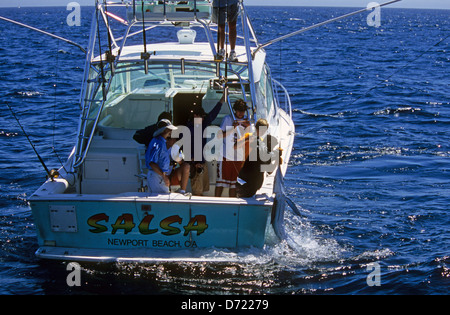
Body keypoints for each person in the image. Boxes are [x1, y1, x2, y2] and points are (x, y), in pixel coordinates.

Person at [187, 94, 225, 195]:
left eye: (203, 117)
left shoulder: (202, 125)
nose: (203, 118)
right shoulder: (188, 130)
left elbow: (212, 114)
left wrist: (221, 100)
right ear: (195, 116)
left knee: (203, 190)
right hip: (195, 165)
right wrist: (194, 162)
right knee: (197, 192)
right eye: (201, 116)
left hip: (202, 163)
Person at [215, 99, 250, 197]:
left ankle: (233, 203)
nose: (241, 113)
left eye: (242, 111)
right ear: (235, 110)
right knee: (220, 183)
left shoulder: (247, 121)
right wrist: (232, 129)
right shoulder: (228, 119)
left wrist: (249, 127)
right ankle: (216, 203)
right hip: (225, 156)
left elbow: (251, 138)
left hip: (239, 157)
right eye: (239, 111)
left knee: (234, 184)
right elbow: (219, 136)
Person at [236, 118, 279, 198]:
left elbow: (269, 168)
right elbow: (235, 147)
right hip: (244, 170)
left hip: (251, 175)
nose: (262, 132)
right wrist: (246, 140)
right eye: (260, 129)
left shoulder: (262, 142)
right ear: (256, 128)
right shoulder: (249, 137)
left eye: (264, 130)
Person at [145, 119, 189, 194]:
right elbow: (152, 163)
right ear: (164, 130)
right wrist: (164, 176)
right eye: (169, 129)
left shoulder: (160, 141)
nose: (170, 131)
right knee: (162, 199)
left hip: (159, 176)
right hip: (157, 176)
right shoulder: (158, 143)